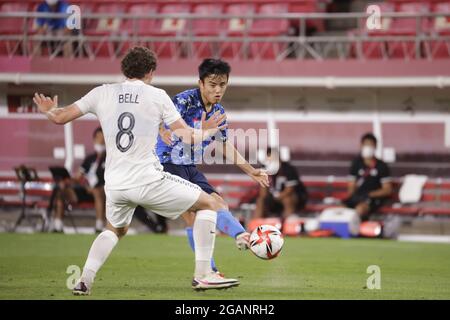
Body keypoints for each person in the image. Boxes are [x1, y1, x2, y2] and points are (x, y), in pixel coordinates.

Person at [33, 46, 246, 294]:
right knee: (209, 204)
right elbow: (186, 137)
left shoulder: (102, 93)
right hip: (147, 180)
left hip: (114, 184)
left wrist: (48, 110)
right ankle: (204, 274)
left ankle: (84, 280)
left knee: (114, 230)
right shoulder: (157, 96)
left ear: (125, 69)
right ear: (151, 72)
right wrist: (208, 129)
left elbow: (59, 117)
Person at [156, 58, 269, 274]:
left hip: (189, 166)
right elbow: (160, 116)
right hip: (166, 164)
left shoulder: (219, 113)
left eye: (223, 85)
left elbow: (224, 146)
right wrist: (162, 130)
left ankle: (236, 240)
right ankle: (215, 266)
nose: (218, 90)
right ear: (201, 83)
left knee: (219, 203)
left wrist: (251, 170)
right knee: (192, 216)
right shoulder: (184, 101)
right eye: (212, 84)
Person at [51, 126, 106, 233]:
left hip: (101, 192)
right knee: (61, 193)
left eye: (104, 138)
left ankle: (99, 226)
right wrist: (66, 181)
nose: (102, 141)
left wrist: (96, 187)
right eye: (99, 138)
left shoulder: (110, 159)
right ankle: (58, 226)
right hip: (85, 189)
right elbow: (78, 177)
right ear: (94, 139)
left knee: (97, 191)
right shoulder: (89, 159)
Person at [343, 133, 393, 220]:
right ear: (361, 145)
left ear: (375, 146)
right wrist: (353, 195)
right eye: (366, 144)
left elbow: (387, 189)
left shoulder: (381, 166)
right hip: (357, 197)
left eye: (371, 145)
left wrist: (369, 194)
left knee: (360, 209)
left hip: (372, 199)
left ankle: (358, 230)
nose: (368, 147)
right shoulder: (356, 164)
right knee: (339, 209)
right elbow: (351, 186)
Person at [253, 147, 308, 219]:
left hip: (290, 198)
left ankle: (288, 223)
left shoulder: (288, 169)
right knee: (260, 201)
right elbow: (263, 189)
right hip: (273, 197)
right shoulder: (264, 169)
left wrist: (278, 196)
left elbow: (290, 189)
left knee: (287, 199)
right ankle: (256, 224)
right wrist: (266, 198)